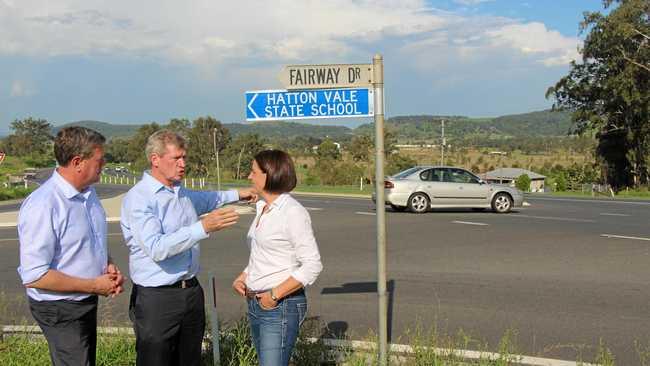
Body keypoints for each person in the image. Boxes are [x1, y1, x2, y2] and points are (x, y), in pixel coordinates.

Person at [121, 129, 256, 366]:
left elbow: (209, 198)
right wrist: (203, 227)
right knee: (156, 360)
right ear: (155, 160)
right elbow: (156, 247)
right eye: (176, 159)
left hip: (190, 292)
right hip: (157, 298)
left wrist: (241, 194)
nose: (183, 164)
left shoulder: (180, 193)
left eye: (184, 158)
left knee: (191, 359)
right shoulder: (140, 198)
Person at [17, 126, 125, 366]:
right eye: (100, 159)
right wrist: (93, 284)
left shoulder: (88, 195)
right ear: (78, 162)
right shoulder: (44, 205)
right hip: (59, 308)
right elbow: (35, 275)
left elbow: (87, 241)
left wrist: (107, 264)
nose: (104, 163)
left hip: (83, 300)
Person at [232, 150, 323, 366]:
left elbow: (312, 265)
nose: (249, 176)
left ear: (269, 175)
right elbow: (264, 254)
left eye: (253, 172)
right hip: (256, 302)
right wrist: (244, 276)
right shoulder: (263, 208)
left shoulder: (292, 212)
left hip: (280, 305)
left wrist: (273, 296)